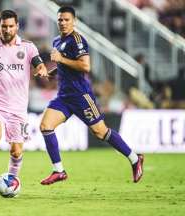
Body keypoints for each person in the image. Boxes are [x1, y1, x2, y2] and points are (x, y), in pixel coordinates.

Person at [39, 6, 144, 185]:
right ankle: (59, 171)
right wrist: (53, 72)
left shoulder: (78, 40)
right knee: (45, 126)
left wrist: (61, 59)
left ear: (74, 21)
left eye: (66, 19)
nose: (63, 23)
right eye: (60, 20)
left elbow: (85, 66)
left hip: (81, 96)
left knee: (100, 132)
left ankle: (135, 159)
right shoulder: (57, 40)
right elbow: (64, 65)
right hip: (64, 97)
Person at [0, 9, 48, 194]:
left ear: (17, 26)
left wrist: (42, 69)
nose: (6, 30)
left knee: (16, 151)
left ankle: (11, 183)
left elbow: (39, 63)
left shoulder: (28, 47)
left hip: (19, 108)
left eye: (10, 26)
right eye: (3, 26)